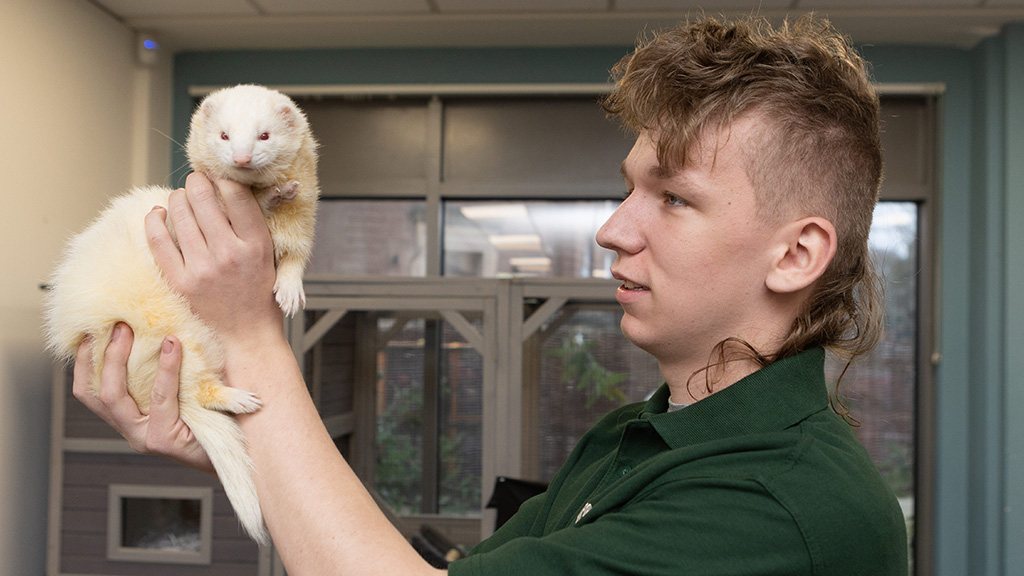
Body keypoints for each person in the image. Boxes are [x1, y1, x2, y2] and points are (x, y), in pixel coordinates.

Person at [73, 14, 908, 576]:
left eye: (674, 198)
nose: (613, 230)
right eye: (628, 191)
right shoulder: (634, 436)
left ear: (797, 255)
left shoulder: (779, 504)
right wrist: (246, 434)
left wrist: (249, 335)